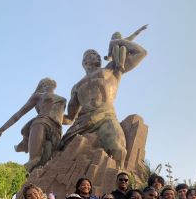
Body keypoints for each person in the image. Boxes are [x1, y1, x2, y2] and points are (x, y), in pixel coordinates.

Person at [61, 41, 147, 169]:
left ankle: (117, 181)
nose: (98, 55)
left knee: (118, 150)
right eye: (93, 54)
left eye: (98, 54)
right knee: (62, 152)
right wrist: (51, 115)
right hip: (82, 122)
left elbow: (141, 52)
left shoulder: (112, 69)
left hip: (105, 117)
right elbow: (70, 118)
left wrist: (117, 42)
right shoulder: (76, 87)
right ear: (85, 62)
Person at [0, 78, 71, 172]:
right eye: (44, 83)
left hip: (56, 130)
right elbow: (18, 115)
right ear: (43, 85)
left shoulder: (63, 100)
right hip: (41, 123)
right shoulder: (38, 96)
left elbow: (66, 119)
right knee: (34, 161)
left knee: (47, 162)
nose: (47, 84)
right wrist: (0, 130)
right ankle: (18, 176)